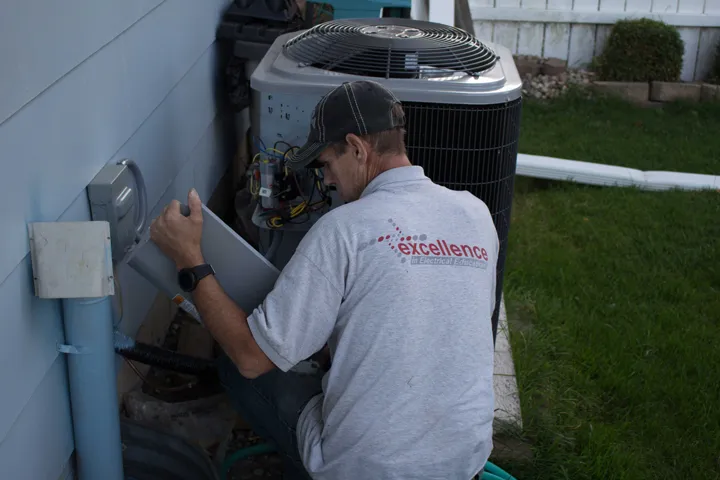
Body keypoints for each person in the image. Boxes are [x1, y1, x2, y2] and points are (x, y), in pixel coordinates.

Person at [150, 80, 499, 480]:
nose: (328, 180)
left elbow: (251, 358)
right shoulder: (476, 214)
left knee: (236, 366)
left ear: (356, 147)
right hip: (463, 459)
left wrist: (191, 259)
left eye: (328, 164)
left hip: (366, 470)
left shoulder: (344, 229)